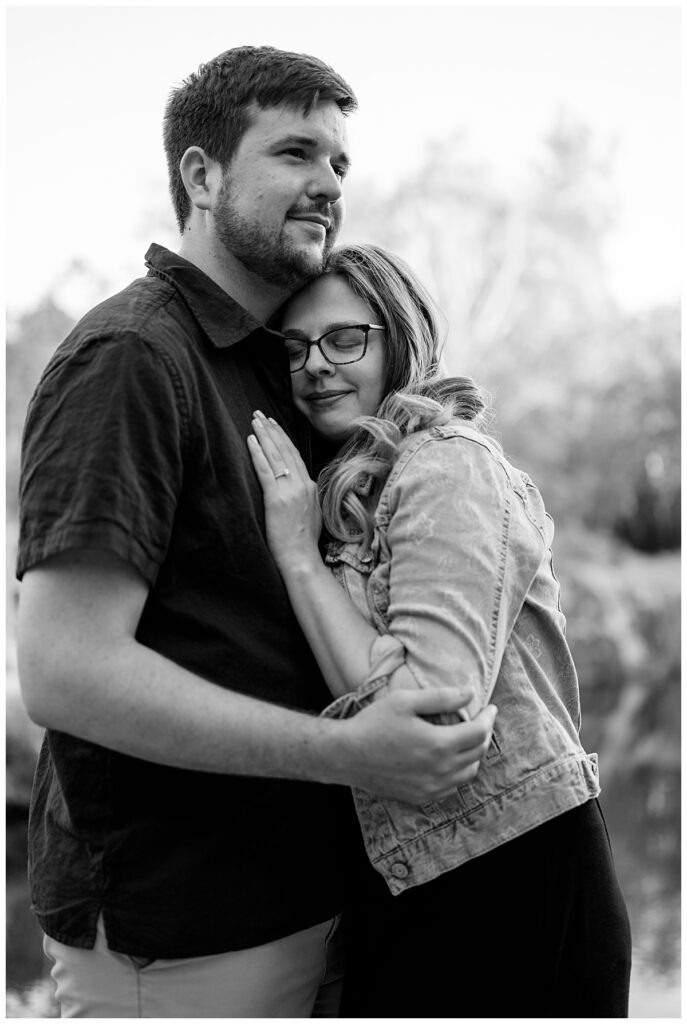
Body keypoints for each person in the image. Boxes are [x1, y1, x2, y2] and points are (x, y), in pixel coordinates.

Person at [15, 49, 497, 1019]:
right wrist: (349, 751)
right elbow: (63, 668)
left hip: (301, 902)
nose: (327, 184)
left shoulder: (279, 360)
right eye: (296, 151)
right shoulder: (133, 359)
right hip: (182, 936)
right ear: (201, 176)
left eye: (340, 165)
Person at [247, 242, 633, 1018]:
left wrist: (293, 554)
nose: (316, 364)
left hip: (513, 880)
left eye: (345, 339)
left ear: (400, 338)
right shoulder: (348, 494)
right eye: (295, 348)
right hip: (404, 884)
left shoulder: (445, 466)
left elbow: (429, 707)